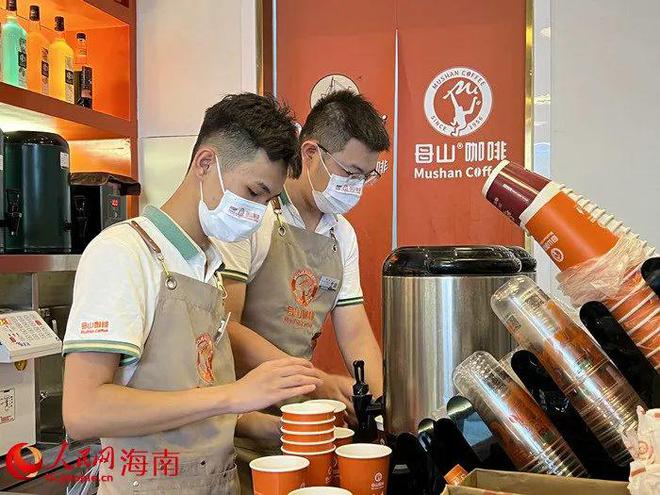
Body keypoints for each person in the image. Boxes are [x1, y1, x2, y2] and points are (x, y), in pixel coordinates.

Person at [62, 93, 323, 495]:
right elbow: (83, 411)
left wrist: (273, 427)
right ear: (205, 163)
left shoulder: (208, 266)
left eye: (268, 200)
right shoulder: (123, 253)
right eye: (253, 192)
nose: (258, 213)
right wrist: (233, 396)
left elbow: (195, 399)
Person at [217, 90, 390, 489]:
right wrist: (315, 381)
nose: (356, 186)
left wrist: (377, 406)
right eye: (350, 173)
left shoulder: (340, 234)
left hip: (299, 419)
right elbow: (225, 327)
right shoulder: (254, 214)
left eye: (366, 177)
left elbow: (355, 331)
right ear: (310, 153)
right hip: (239, 416)